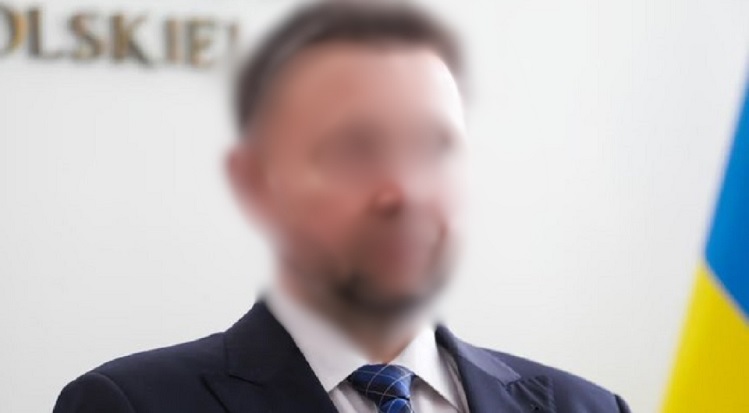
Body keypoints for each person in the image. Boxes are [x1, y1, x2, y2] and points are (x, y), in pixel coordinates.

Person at [53, 2, 630, 412]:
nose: (403, 191)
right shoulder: (131, 404)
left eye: (433, 147)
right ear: (258, 182)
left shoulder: (589, 407)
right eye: (354, 148)